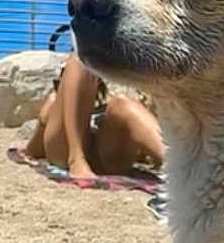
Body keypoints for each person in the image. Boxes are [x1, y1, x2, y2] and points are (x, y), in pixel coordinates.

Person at [21, 52, 164, 179]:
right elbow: (34, 151)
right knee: (80, 58)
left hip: (106, 159)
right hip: (64, 153)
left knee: (122, 103)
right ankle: (76, 158)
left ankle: (177, 164)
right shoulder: (54, 103)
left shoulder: (108, 107)